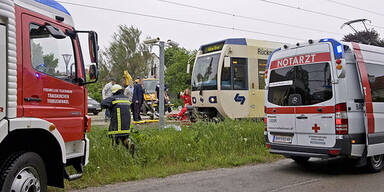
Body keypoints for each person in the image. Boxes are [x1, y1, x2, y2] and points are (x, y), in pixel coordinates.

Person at [101, 84, 134, 153]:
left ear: (114, 92)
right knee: (124, 137)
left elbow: (103, 103)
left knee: (113, 138)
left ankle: (115, 152)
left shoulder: (113, 98)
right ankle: (129, 144)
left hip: (117, 126)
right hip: (127, 126)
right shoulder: (126, 98)